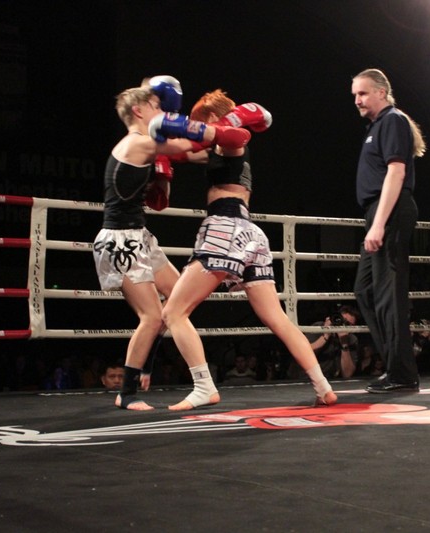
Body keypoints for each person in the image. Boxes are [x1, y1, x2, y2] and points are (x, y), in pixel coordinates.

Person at [155, 89, 337, 410]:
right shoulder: (217, 148)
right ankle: (323, 387)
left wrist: (178, 124)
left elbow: (238, 132)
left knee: (173, 312)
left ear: (213, 118)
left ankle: (204, 386)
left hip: (225, 228)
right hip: (249, 233)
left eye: (201, 122)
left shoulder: (231, 141)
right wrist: (159, 154)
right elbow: (183, 151)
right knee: (277, 318)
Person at [93, 77, 251, 411]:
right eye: (156, 107)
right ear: (139, 111)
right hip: (120, 242)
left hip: (139, 236)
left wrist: (227, 154)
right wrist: (228, 125)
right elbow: (187, 147)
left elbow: (194, 155)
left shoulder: (146, 144)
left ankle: (148, 367)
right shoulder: (137, 143)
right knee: (151, 316)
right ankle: (127, 392)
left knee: (175, 300)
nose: (163, 112)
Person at [350, 68, 426, 393]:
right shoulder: (378, 126)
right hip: (378, 211)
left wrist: (379, 223)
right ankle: (396, 364)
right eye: (355, 95)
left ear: (381, 92)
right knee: (365, 290)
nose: (357, 100)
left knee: (388, 294)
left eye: (363, 93)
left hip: (389, 211)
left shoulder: (392, 120)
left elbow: (396, 172)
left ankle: (402, 373)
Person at [306, 305, 362, 379]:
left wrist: (344, 344)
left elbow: (347, 374)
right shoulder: (318, 327)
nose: (343, 325)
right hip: (307, 377)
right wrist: (325, 336)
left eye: (348, 324)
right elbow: (304, 356)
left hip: (333, 380)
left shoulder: (351, 339)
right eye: (341, 320)